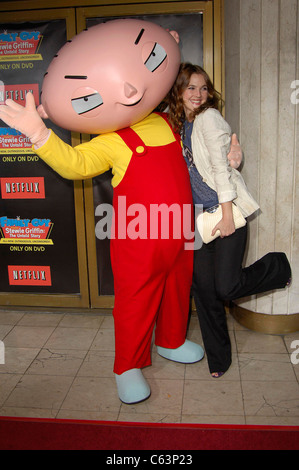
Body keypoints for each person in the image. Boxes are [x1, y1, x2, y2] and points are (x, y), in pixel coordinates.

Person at [167, 63, 292, 378]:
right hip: (195, 220)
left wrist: (225, 215)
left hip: (224, 214)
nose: (198, 94)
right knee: (204, 291)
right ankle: (218, 359)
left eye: (203, 88)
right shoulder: (178, 125)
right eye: (190, 87)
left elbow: (222, 170)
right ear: (178, 92)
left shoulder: (208, 119)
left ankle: (278, 267)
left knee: (226, 286)